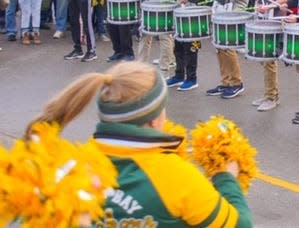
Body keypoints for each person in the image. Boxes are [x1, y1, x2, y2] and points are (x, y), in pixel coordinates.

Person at [24, 61, 252, 227]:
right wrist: (226, 176)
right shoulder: (175, 175)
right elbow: (239, 225)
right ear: (155, 119)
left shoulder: (70, 168)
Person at [237, 0, 292, 112]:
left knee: (269, 58)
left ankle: (272, 96)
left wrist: (269, 7)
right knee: (263, 57)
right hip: (262, 13)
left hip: (274, 17)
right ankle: (268, 93)